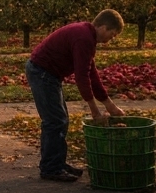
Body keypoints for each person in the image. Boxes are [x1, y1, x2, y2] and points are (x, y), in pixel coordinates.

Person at [26, 9, 127, 183]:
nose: (113, 38)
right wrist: (95, 111)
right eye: (113, 33)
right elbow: (82, 77)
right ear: (103, 27)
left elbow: (92, 74)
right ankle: (51, 168)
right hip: (42, 72)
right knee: (55, 121)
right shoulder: (84, 38)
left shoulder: (87, 36)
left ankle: (56, 163)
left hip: (48, 74)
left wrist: (109, 105)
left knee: (60, 119)